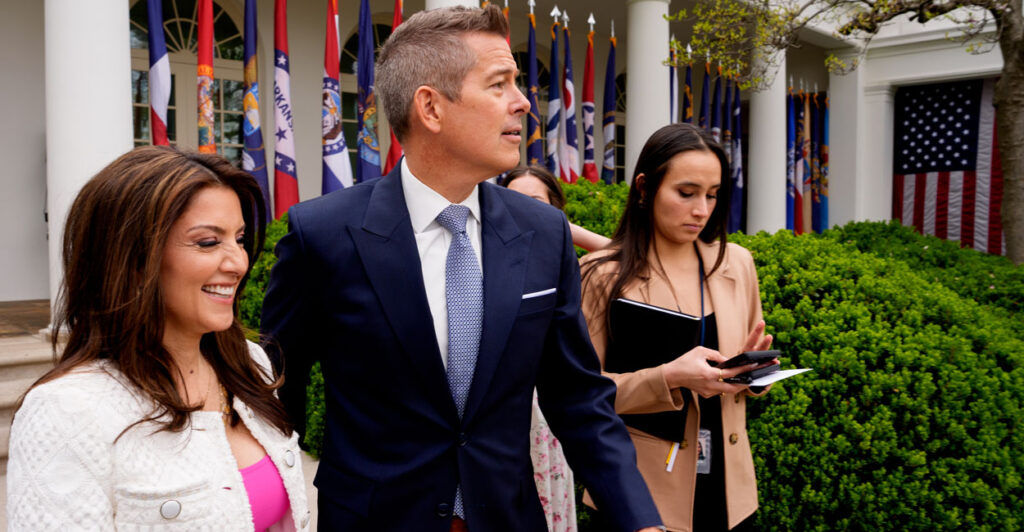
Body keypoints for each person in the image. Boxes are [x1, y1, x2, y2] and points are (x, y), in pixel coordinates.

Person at [261, 6, 662, 532]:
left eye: (517, 84)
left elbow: (579, 398)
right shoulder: (322, 236)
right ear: (431, 107)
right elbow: (276, 395)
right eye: (499, 84)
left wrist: (640, 521)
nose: (523, 102)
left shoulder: (543, 234)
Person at [6, 146, 310, 531]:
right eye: (207, 242)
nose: (238, 263)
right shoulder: (67, 410)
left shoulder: (251, 364)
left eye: (238, 238)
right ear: (132, 257)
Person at [579, 123, 776, 531]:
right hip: (639, 494)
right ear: (645, 187)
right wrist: (668, 377)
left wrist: (757, 375)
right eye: (686, 193)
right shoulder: (601, 276)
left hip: (729, 491)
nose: (702, 209)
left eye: (712, 194)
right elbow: (580, 394)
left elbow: (754, 370)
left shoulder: (736, 263)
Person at [503, 165, 612, 252]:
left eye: (535, 201)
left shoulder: (560, 250)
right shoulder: (490, 242)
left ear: (553, 203)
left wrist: (566, 228)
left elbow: (623, 255)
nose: (525, 209)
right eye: (515, 200)